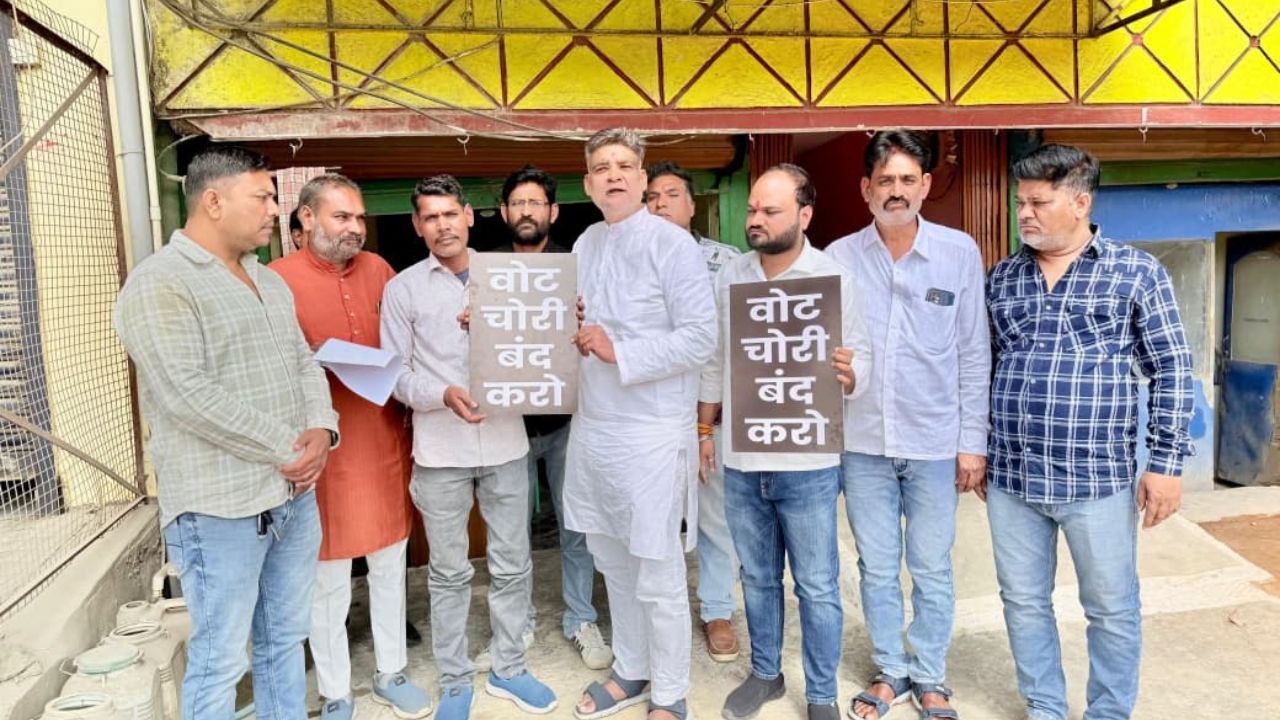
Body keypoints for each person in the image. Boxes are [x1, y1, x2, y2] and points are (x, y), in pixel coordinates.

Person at [113, 145, 337, 719]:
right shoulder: (160, 283)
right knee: (219, 662)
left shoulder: (268, 280)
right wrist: (286, 446)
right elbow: (187, 393)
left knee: (285, 642)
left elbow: (303, 361)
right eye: (262, 196)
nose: (274, 209)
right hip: (219, 510)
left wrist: (322, 428)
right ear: (213, 201)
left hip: (293, 497)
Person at [987, 144, 1193, 720]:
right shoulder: (1003, 277)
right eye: (1020, 201)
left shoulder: (1135, 273)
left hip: (1096, 480)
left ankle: (1107, 713)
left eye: (1038, 202)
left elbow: (1172, 366)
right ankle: (1046, 708)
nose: (1023, 213)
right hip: (1012, 477)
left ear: (1080, 202)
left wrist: (1166, 463)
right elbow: (987, 365)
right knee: (1024, 603)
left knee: (1110, 608)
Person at [825, 130, 990, 720]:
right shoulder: (838, 257)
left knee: (930, 565)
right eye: (884, 181)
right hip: (863, 442)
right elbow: (822, 346)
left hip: (934, 442)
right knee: (875, 564)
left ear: (924, 185)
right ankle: (890, 669)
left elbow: (974, 353)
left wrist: (973, 443)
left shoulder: (958, 252)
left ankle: (931, 676)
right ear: (866, 189)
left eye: (906, 180)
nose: (896, 191)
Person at [381, 175, 557, 720]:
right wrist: (443, 393)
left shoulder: (508, 277)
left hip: (505, 443)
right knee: (449, 573)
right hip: (440, 453)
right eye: (430, 217)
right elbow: (395, 376)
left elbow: (546, 352)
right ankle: (455, 679)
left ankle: (509, 668)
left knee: (512, 565)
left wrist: (506, 329)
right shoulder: (403, 289)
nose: (442, 225)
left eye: (450, 214)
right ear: (417, 226)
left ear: (470, 217)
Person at [701, 164, 872, 720]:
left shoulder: (835, 278)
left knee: (818, 585)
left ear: (804, 215)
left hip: (808, 460)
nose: (755, 219)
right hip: (744, 457)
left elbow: (862, 358)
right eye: (752, 209)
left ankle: (821, 694)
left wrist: (850, 374)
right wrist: (704, 429)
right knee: (756, 576)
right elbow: (714, 362)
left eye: (770, 211)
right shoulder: (731, 276)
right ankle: (766, 675)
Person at [564, 128, 717, 720]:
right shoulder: (584, 244)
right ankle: (631, 668)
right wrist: (505, 329)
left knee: (655, 569)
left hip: (652, 432)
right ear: (588, 183)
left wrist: (620, 349)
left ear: (642, 177)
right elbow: (567, 331)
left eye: (625, 164)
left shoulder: (671, 245)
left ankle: (672, 691)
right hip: (595, 426)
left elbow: (701, 338)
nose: (614, 175)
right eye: (602, 166)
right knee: (611, 560)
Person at [269, 174, 429, 720]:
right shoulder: (274, 280)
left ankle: (391, 672)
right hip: (322, 453)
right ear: (307, 218)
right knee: (328, 579)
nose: (355, 229)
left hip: (382, 441)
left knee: (389, 565)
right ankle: (336, 692)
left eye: (359, 219)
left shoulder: (381, 270)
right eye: (342, 218)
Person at [488, 164, 613, 671]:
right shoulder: (486, 268)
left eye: (535, 203)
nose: (525, 211)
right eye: (517, 203)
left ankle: (580, 618)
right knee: (509, 532)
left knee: (575, 526)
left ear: (552, 212)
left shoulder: (574, 266)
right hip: (508, 424)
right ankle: (515, 622)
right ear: (503, 213)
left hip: (567, 422)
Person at [645, 161, 742, 665]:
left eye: (670, 194)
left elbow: (740, 343)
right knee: (653, 518)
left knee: (713, 518)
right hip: (649, 413)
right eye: (652, 196)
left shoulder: (727, 263)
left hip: (712, 414)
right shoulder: (630, 260)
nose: (659, 203)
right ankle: (655, 613)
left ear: (691, 204)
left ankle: (718, 609)